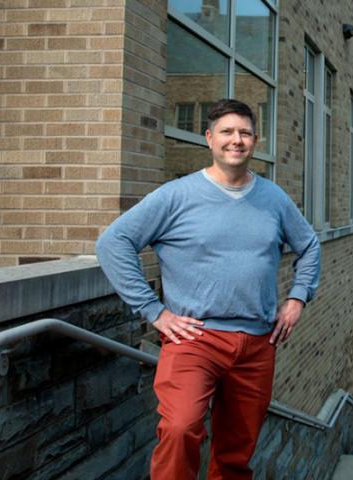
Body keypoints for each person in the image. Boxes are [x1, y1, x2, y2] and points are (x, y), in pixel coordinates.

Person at [96, 99, 320, 480]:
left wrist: (298, 297)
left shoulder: (274, 199)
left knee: (236, 452)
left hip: (257, 344)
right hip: (194, 340)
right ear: (209, 138)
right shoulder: (176, 196)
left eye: (245, 133)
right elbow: (113, 243)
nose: (237, 140)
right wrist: (155, 312)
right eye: (228, 132)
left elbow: (309, 245)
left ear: (255, 140)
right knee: (180, 429)